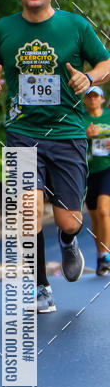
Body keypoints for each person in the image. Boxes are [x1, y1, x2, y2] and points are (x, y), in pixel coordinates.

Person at [0, 0, 110, 314]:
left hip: (67, 133)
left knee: (70, 219)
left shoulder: (76, 26)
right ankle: (40, 287)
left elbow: (105, 62)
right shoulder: (5, 28)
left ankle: (68, 241)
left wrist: (90, 78)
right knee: (28, 212)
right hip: (22, 132)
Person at [84, 86, 110, 275]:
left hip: (107, 168)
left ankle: (106, 255)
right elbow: (70, 142)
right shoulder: (81, 120)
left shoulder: (108, 116)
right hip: (87, 171)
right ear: (85, 100)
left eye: (96, 96)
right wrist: (85, 136)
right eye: (89, 97)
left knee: (103, 210)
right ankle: (101, 256)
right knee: (94, 216)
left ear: (102, 99)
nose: (93, 100)